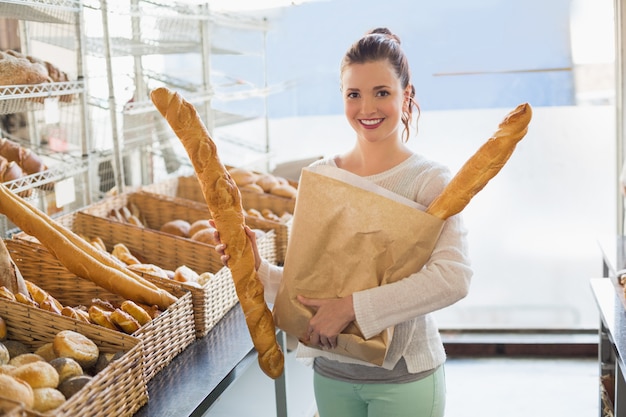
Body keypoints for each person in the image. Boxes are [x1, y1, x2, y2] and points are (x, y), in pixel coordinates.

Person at [215, 27, 472, 417]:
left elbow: (453, 277)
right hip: (331, 372)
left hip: (404, 379)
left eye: (381, 92)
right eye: (354, 94)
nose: (367, 108)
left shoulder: (429, 181)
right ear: (342, 98)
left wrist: (352, 308)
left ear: (407, 96)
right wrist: (258, 269)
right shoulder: (321, 177)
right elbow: (312, 287)